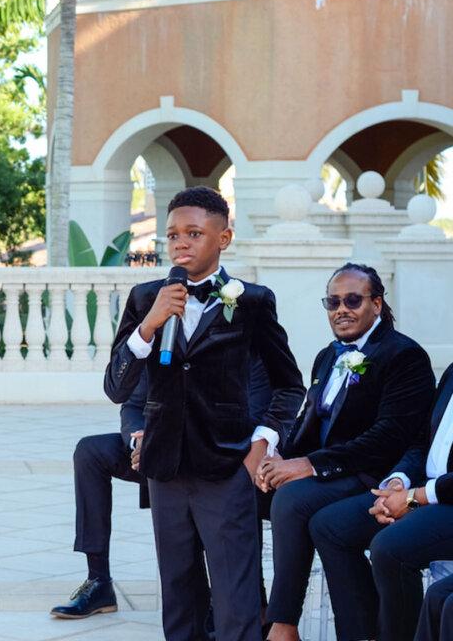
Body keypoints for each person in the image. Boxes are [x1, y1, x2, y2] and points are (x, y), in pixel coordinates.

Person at [105, 186, 305, 641]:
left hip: (227, 467)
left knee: (236, 596)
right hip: (165, 467)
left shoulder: (252, 301)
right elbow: (117, 387)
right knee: (178, 591)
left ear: (224, 238)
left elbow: (289, 386)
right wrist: (150, 324)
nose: (181, 242)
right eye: (173, 234)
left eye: (194, 233)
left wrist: (262, 443)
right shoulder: (144, 299)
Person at [260, 263, 434, 641]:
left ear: (376, 303)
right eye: (333, 301)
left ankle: (282, 624)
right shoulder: (328, 355)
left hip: (376, 474)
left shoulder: (404, 356)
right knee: (243, 492)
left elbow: (390, 437)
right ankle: (242, 610)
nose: (341, 309)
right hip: (333, 472)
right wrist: (279, 460)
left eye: (353, 300)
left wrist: (309, 466)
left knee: (292, 501)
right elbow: (310, 422)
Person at [51, 360, 278, 623]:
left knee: (236, 486)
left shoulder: (247, 351)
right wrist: (141, 441)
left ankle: (235, 600)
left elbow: (256, 417)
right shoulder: (164, 348)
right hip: (158, 451)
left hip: (219, 457)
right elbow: (133, 405)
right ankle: (98, 581)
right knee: (90, 452)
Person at [306, 356, 452, 641]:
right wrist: (398, 482)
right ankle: (363, 634)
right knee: (330, 527)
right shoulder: (450, 373)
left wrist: (415, 498)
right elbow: (423, 441)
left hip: (444, 500)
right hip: (421, 490)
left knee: (389, 548)